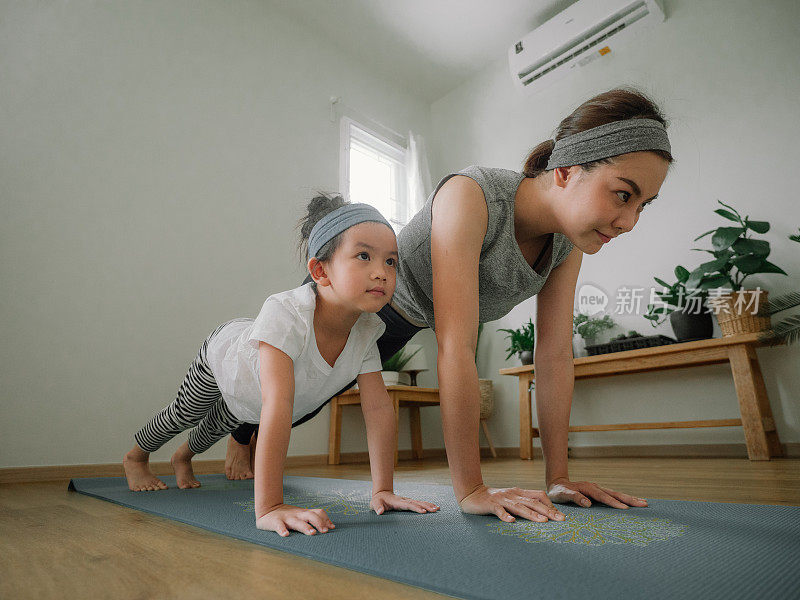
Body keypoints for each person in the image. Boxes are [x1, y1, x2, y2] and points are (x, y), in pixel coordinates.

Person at [228, 87, 672, 524]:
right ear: (566, 171)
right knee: (296, 396)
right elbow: (455, 345)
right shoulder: (472, 195)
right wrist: (472, 490)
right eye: (623, 194)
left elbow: (554, 355)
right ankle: (239, 432)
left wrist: (558, 477)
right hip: (365, 299)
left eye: (642, 206)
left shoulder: (567, 245)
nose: (629, 221)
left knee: (309, 396)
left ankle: (244, 431)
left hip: (410, 315)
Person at [123, 196, 440, 536]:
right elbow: (279, 405)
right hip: (224, 360)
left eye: (391, 261)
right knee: (185, 413)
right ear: (320, 271)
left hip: (249, 401)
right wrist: (271, 506)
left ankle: (182, 458)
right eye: (364, 256)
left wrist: (383, 489)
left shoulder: (367, 329)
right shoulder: (286, 313)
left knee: (215, 427)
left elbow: (377, 409)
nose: (382, 272)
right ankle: (136, 458)